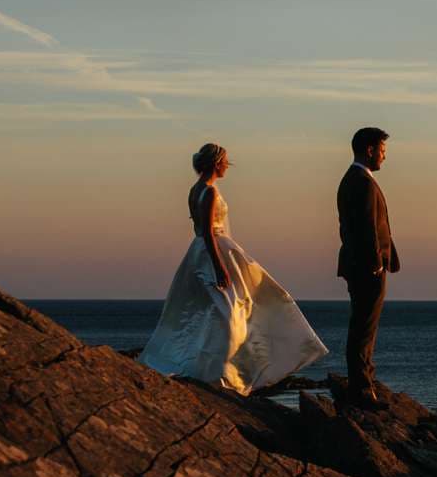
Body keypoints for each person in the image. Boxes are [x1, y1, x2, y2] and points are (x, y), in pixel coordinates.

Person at [138, 142, 327, 393]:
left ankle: (218, 369)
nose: (228, 166)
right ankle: (222, 373)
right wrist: (219, 267)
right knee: (228, 315)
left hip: (201, 253)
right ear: (217, 164)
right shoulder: (209, 192)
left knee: (212, 314)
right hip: (213, 253)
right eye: (226, 162)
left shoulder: (195, 189)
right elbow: (207, 231)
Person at [335, 126, 398, 409]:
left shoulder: (354, 179)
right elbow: (366, 227)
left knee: (362, 325)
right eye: (382, 151)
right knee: (364, 327)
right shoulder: (360, 181)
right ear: (369, 150)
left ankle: (363, 383)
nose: (385, 157)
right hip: (367, 268)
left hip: (360, 265)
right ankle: (362, 388)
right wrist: (375, 263)